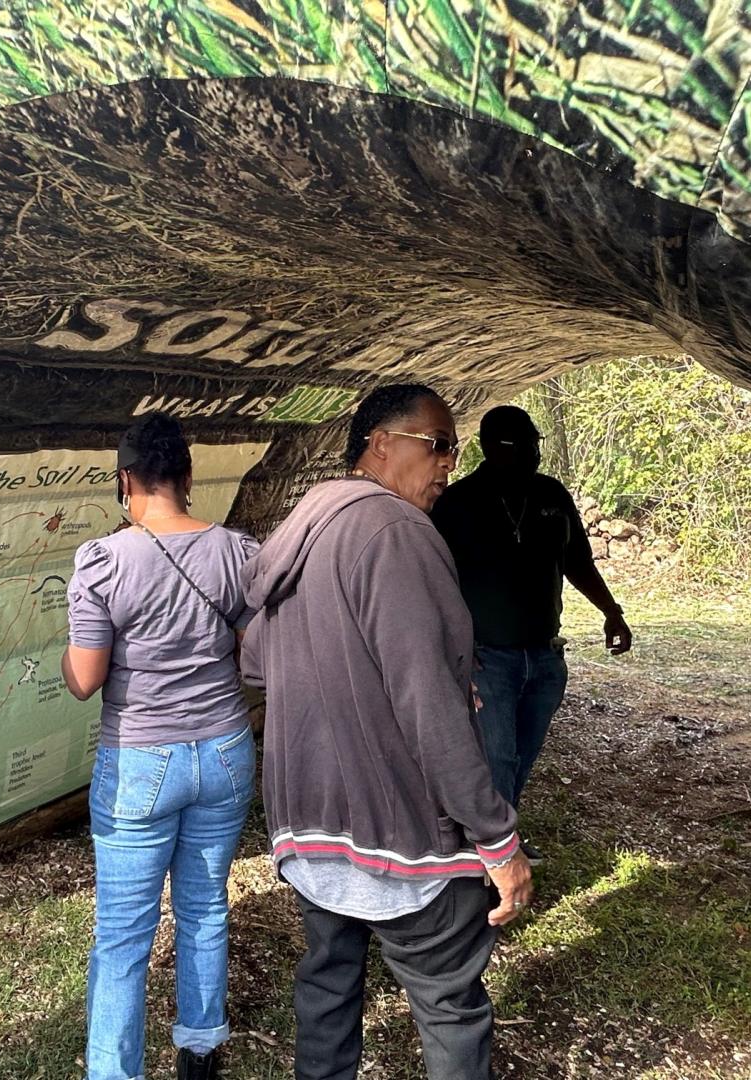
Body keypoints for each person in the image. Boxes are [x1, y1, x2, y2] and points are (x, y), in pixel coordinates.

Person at [240, 384, 534, 1080]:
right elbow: (428, 705)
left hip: (311, 825)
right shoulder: (396, 531)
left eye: (454, 451)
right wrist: (496, 837)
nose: (449, 466)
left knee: (328, 989)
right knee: (448, 1004)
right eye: (437, 445)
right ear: (380, 443)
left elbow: (257, 660)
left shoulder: (302, 526)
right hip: (395, 829)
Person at [61, 412, 260, 1080]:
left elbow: (85, 680)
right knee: (204, 907)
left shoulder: (102, 560)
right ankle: (200, 1056)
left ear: (127, 481)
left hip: (141, 760)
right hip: (226, 752)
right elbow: (248, 647)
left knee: (123, 935)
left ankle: (115, 1071)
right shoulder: (239, 551)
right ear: (188, 476)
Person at [432, 405, 631, 850]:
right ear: (488, 448)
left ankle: (496, 832)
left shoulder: (551, 496)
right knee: (496, 755)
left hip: (543, 655)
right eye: (515, 446)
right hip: (486, 657)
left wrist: (611, 611)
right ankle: (494, 847)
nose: (529, 455)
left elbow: (577, 560)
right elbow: (430, 579)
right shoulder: (456, 503)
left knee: (521, 752)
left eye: (533, 445)